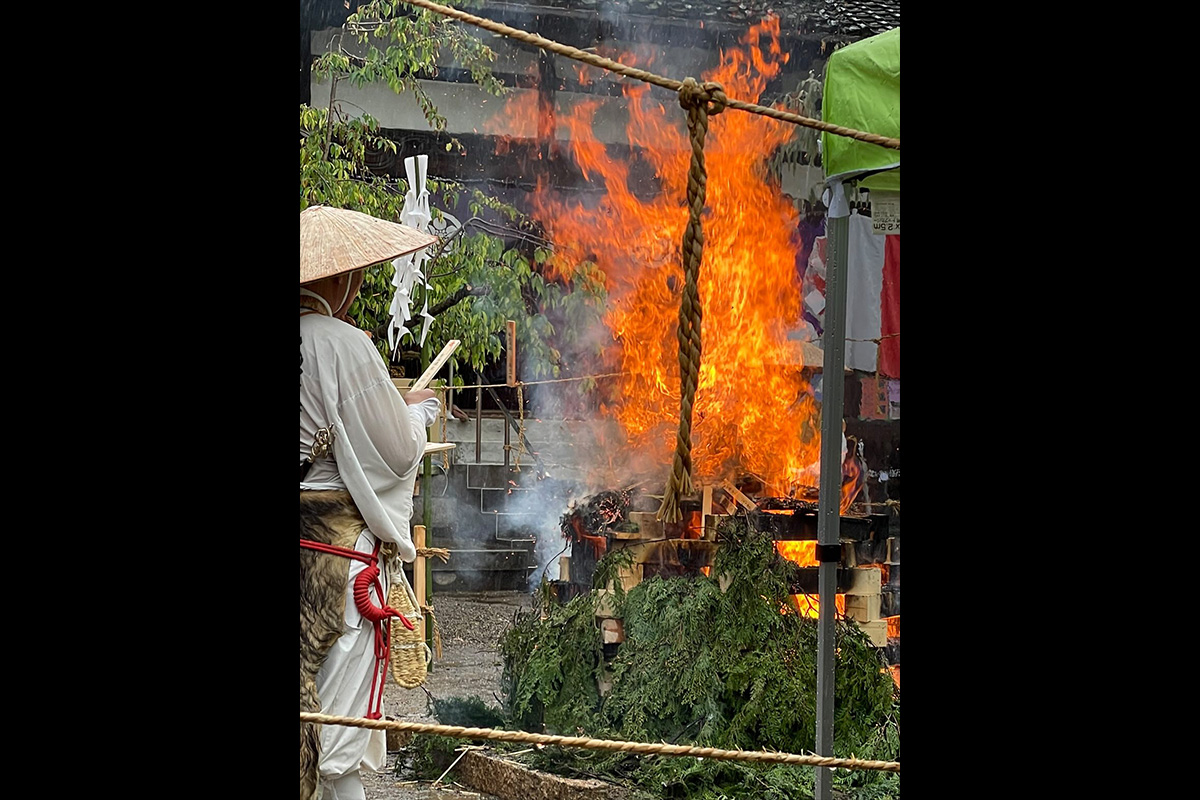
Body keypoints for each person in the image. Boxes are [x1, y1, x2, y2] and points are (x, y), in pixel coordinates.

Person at [299, 263, 441, 800]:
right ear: (338, 282)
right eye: (354, 279)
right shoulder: (342, 342)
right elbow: (394, 453)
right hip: (338, 553)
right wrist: (417, 414)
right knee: (338, 742)